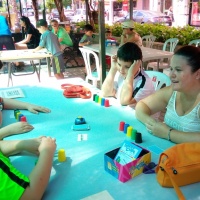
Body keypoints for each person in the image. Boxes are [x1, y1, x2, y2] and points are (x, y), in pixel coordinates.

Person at [135, 45, 200, 143]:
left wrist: (167, 133)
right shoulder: (172, 92)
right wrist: (153, 125)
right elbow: (142, 106)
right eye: (171, 69)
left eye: (178, 70)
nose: (171, 74)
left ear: (198, 74)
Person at [101, 42, 155, 106]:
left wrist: (130, 74)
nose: (121, 70)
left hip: (137, 115)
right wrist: (113, 69)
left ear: (137, 65)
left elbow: (124, 102)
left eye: (127, 67)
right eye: (119, 64)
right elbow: (106, 93)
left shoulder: (144, 82)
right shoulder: (120, 73)